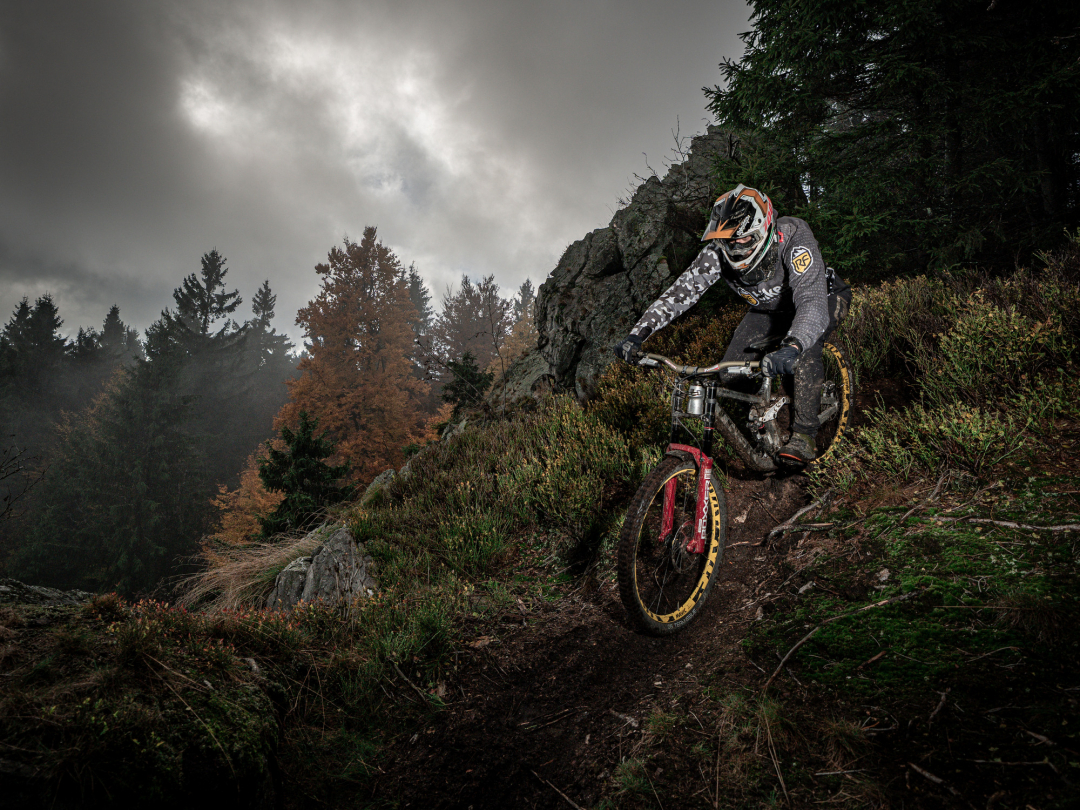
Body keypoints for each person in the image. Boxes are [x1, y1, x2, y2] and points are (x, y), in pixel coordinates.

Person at [614, 184, 851, 465]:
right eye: (729, 241)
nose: (736, 248)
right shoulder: (716, 254)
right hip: (768, 310)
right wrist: (638, 334)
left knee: (805, 350)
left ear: (764, 229)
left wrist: (793, 345)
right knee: (730, 373)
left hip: (823, 297)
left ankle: (805, 434)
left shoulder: (793, 236)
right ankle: (769, 413)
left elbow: (811, 301)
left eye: (744, 239)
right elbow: (679, 294)